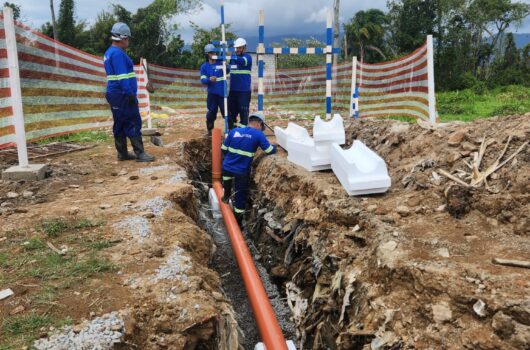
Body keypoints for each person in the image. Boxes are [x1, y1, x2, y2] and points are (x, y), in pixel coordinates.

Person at [104, 22, 155, 162]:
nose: (128, 41)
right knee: (133, 121)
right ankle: (140, 154)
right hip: (123, 94)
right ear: (123, 38)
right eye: (128, 39)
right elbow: (122, 77)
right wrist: (130, 94)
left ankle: (122, 153)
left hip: (114, 94)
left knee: (119, 122)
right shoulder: (118, 54)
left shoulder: (109, 52)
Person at [221, 112, 276, 225]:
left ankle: (225, 196)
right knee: (240, 196)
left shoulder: (234, 131)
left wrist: (231, 159)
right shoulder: (258, 134)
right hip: (241, 171)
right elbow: (269, 150)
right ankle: (237, 223)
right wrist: (275, 146)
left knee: (226, 178)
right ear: (259, 124)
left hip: (227, 166)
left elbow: (223, 149)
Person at [200, 44, 228, 136]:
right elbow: (202, 79)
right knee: (211, 112)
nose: (213, 54)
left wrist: (226, 62)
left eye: (214, 52)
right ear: (207, 54)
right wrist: (209, 79)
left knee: (227, 112)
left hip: (222, 94)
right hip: (212, 94)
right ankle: (210, 131)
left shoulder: (220, 63)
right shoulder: (204, 66)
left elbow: (228, 70)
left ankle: (231, 130)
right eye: (211, 53)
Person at [227, 37, 252, 130]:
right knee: (230, 113)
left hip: (244, 92)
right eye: (236, 48)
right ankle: (232, 131)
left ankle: (243, 132)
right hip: (233, 91)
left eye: (239, 48)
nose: (237, 50)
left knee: (244, 113)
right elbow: (228, 69)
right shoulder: (233, 59)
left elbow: (242, 61)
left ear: (244, 48)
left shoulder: (247, 57)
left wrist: (230, 56)